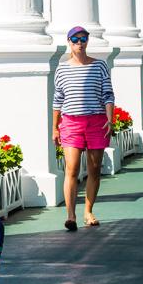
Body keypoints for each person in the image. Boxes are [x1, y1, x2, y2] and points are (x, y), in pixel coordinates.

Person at [51, 25, 115, 231]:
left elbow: (108, 94)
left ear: (87, 41)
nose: (80, 43)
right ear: (69, 42)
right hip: (71, 122)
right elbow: (57, 99)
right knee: (72, 168)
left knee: (94, 168)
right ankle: (71, 215)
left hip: (96, 121)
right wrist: (55, 128)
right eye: (75, 39)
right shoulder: (62, 69)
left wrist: (110, 118)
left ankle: (88, 211)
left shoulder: (100, 66)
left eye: (83, 38)